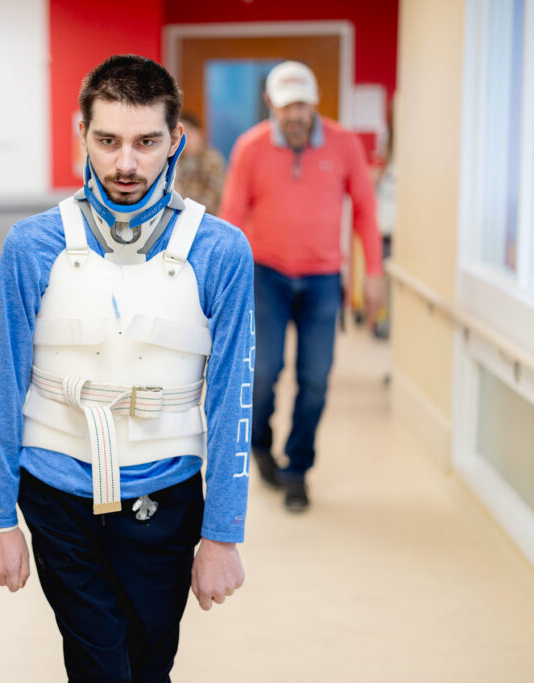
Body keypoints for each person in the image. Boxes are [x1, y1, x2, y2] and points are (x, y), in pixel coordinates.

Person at [0, 54, 254, 681]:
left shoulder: (220, 251)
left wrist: (223, 534)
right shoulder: (32, 245)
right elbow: (3, 386)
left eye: (145, 142)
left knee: (148, 663)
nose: (125, 164)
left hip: (165, 487)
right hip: (55, 487)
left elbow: (233, 397)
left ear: (175, 142)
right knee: (99, 663)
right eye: (106, 141)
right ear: (82, 136)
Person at [219, 60, 384, 513]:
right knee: (264, 374)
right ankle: (260, 441)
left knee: (314, 381)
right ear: (271, 104)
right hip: (266, 275)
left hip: (322, 280)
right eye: (287, 107)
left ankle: (297, 470)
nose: (295, 117)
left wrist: (374, 273)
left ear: (314, 105)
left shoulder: (344, 144)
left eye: (303, 107)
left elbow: (367, 211)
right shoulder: (250, 148)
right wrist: (220, 283)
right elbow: (231, 220)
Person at [173, 111, 226, 215]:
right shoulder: (179, 160)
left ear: (199, 133)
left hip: (206, 218)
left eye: (188, 134)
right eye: (180, 136)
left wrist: (183, 199)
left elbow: (212, 201)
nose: (185, 140)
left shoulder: (212, 160)